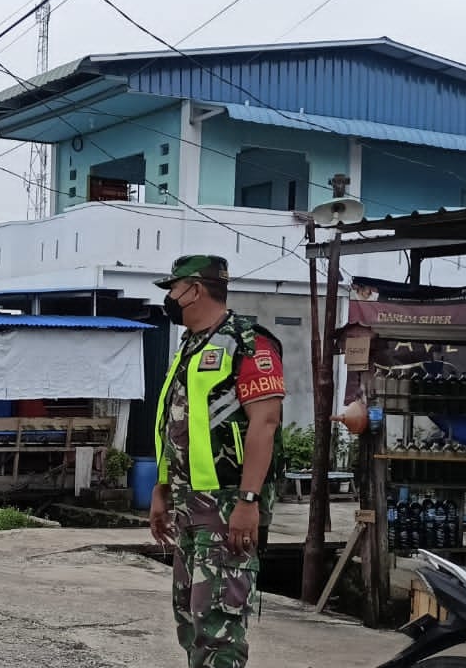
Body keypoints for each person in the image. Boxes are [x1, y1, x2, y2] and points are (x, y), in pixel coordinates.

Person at [147, 256, 285, 668]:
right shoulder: (191, 345)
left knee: (219, 623)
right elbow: (177, 424)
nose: (169, 298)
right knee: (189, 618)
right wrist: (163, 487)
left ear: (195, 289)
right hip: (189, 504)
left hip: (227, 504)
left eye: (172, 289)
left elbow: (266, 421)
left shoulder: (248, 343)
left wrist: (248, 500)